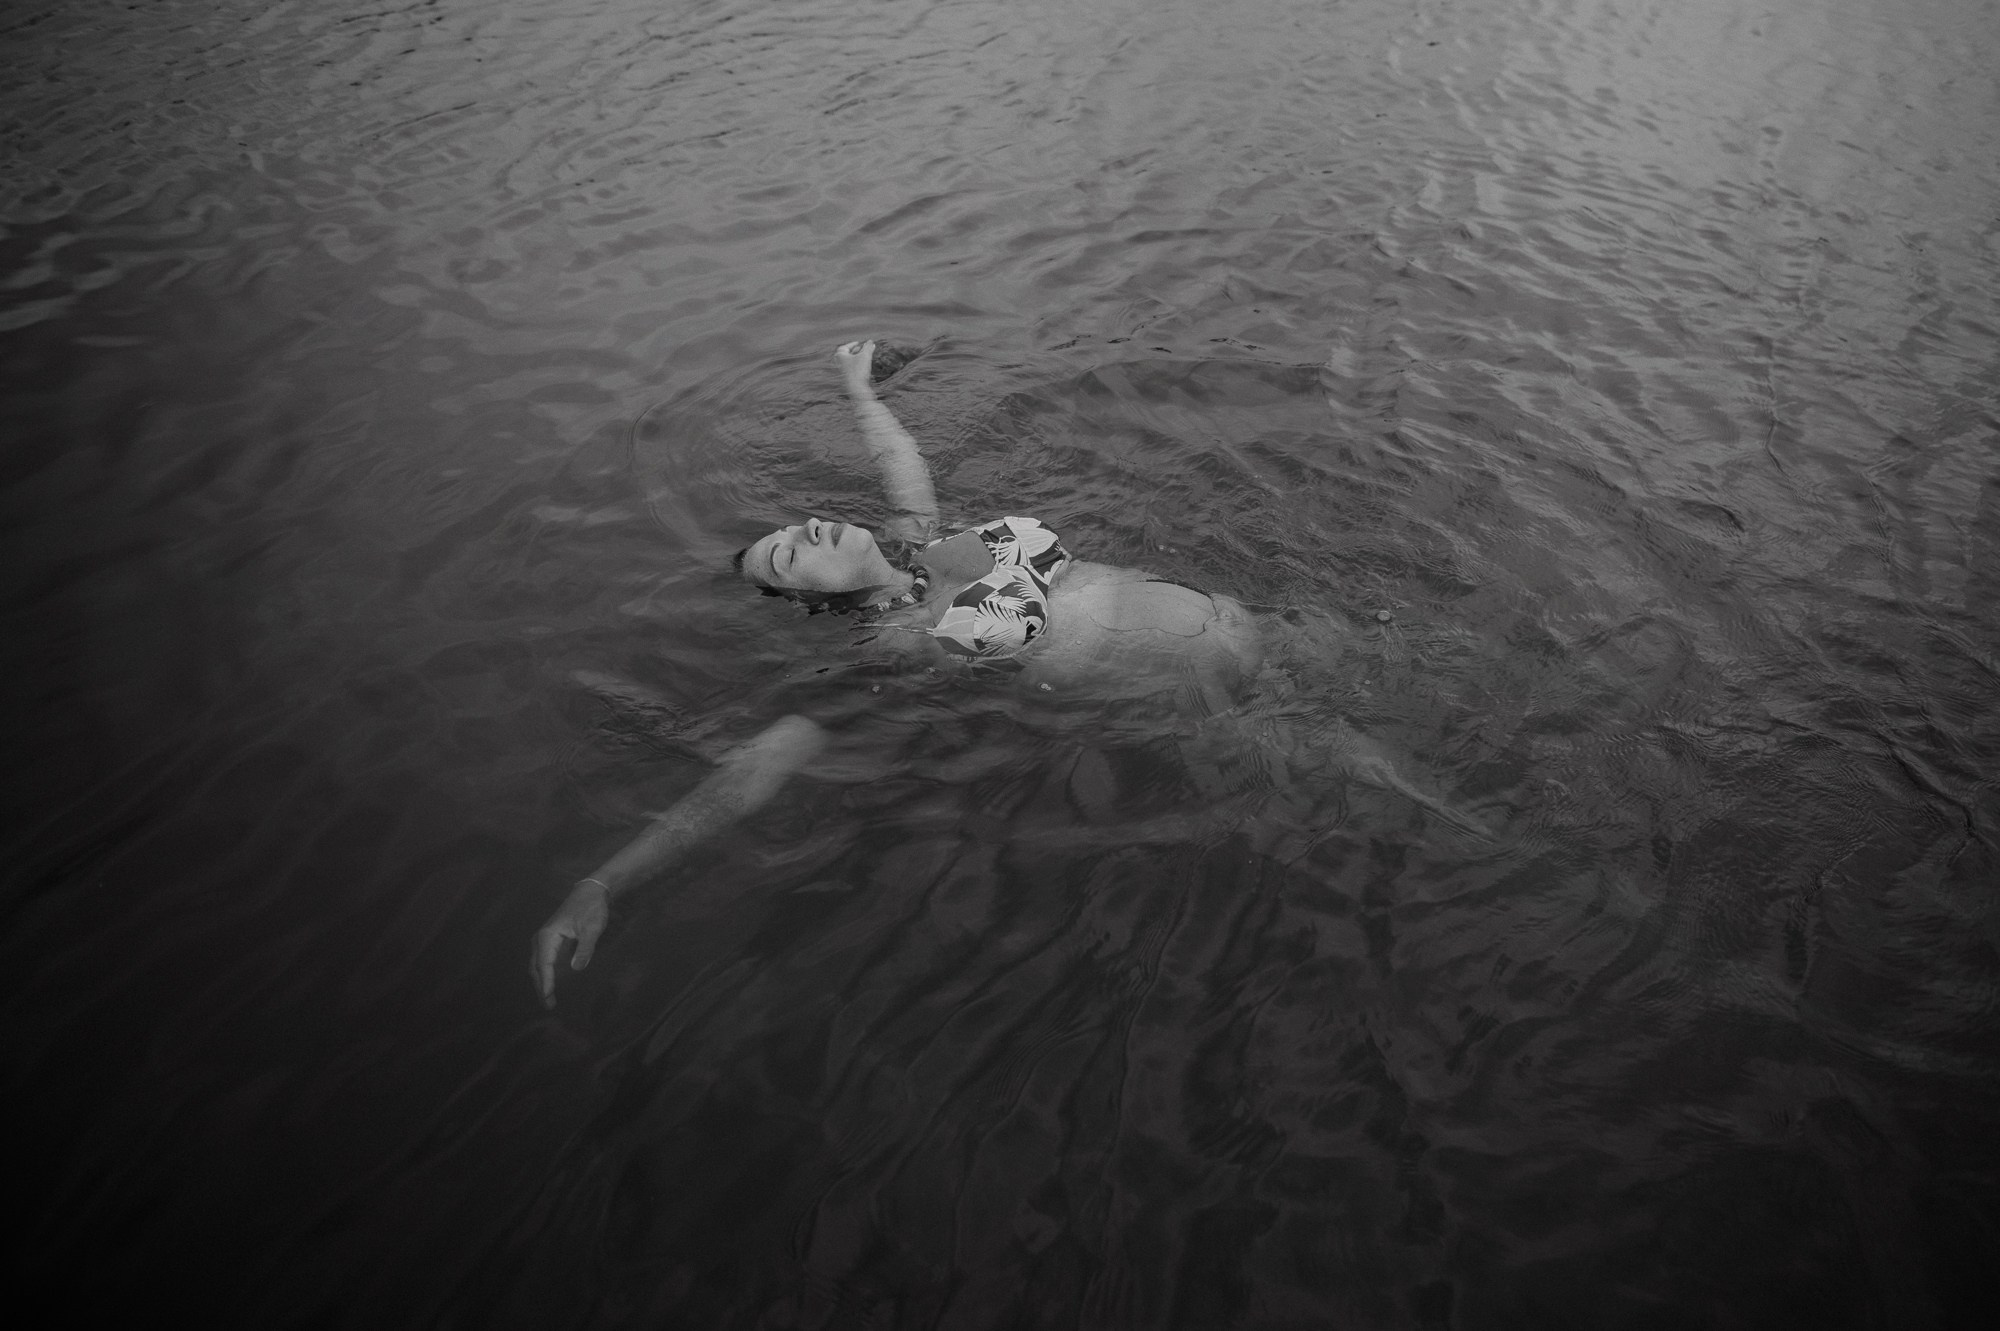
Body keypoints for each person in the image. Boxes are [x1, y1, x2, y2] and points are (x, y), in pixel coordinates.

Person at [532, 340, 1474, 1006]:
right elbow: (754, 769)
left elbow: (902, 460)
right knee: (1440, 799)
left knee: (1455, 669)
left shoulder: (918, 545)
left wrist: (856, 389)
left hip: (1277, 623)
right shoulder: (893, 654)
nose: (801, 532)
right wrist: (607, 881)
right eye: (786, 558)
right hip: (1224, 703)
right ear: (816, 606)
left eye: (791, 527)